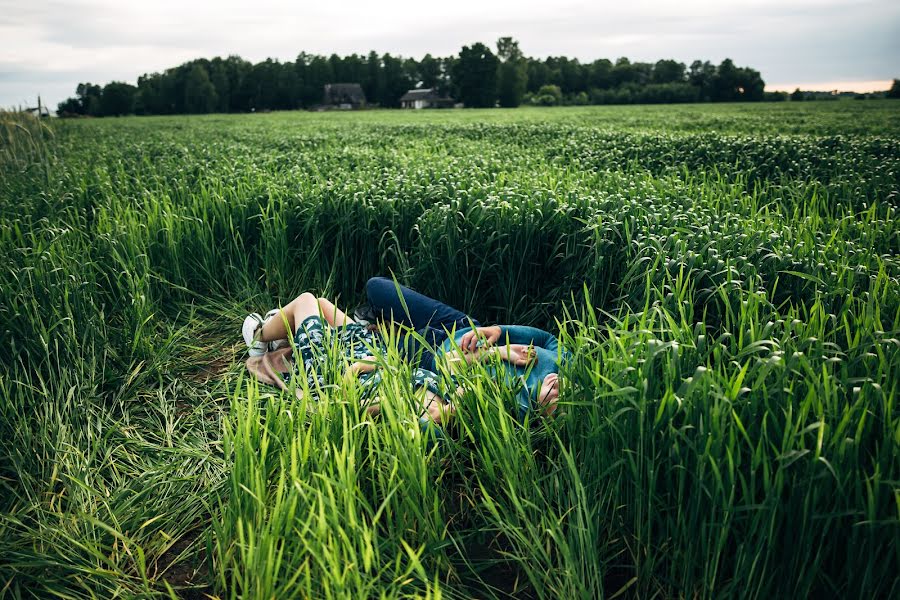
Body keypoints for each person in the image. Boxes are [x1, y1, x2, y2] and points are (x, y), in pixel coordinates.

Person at [364, 277, 565, 419]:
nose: (559, 391)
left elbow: (454, 376)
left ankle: (381, 327)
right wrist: (497, 330)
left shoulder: (520, 410)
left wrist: (539, 408)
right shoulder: (569, 365)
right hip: (462, 328)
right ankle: (386, 321)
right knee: (376, 287)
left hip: (431, 355)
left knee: (367, 338)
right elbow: (547, 339)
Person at [241, 292, 454, 426]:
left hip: (335, 366)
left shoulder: (403, 407)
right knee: (322, 303)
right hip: (368, 350)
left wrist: (357, 368)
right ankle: (283, 331)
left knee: (305, 300)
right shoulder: (446, 395)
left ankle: (260, 337)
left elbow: (348, 404)